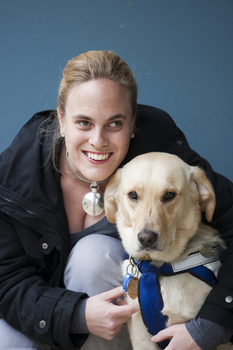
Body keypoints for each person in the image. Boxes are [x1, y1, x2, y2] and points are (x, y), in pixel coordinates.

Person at [0, 50, 232, 350]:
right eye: (83, 122)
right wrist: (76, 314)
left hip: (119, 325)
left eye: (114, 124)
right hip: (41, 313)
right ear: (60, 118)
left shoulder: (164, 160)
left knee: (92, 255)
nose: (98, 140)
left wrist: (214, 322)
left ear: (133, 123)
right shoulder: (13, 177)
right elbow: (6, 281)